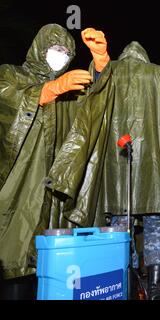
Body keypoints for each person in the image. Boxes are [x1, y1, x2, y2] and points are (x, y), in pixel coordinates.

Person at [46, 40, 160, 300]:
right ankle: (155, 290)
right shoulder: (158, 74)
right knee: (155, 226)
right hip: (152, 169)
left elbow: (92, 99)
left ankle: (125, 287)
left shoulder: (111, 70)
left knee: (120, 228)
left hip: (116, 166)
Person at [0, 24, 93, 298]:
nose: (60, 56)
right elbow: (5, 100)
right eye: (55, 49)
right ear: (40, 48)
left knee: (43, 273)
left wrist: (100, 66)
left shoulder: (70, 92)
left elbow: (92, 113)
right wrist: (44, 92)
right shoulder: (11, 74)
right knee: (13, 264)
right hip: (17, 186)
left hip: (49, 192)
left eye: (66, 52)